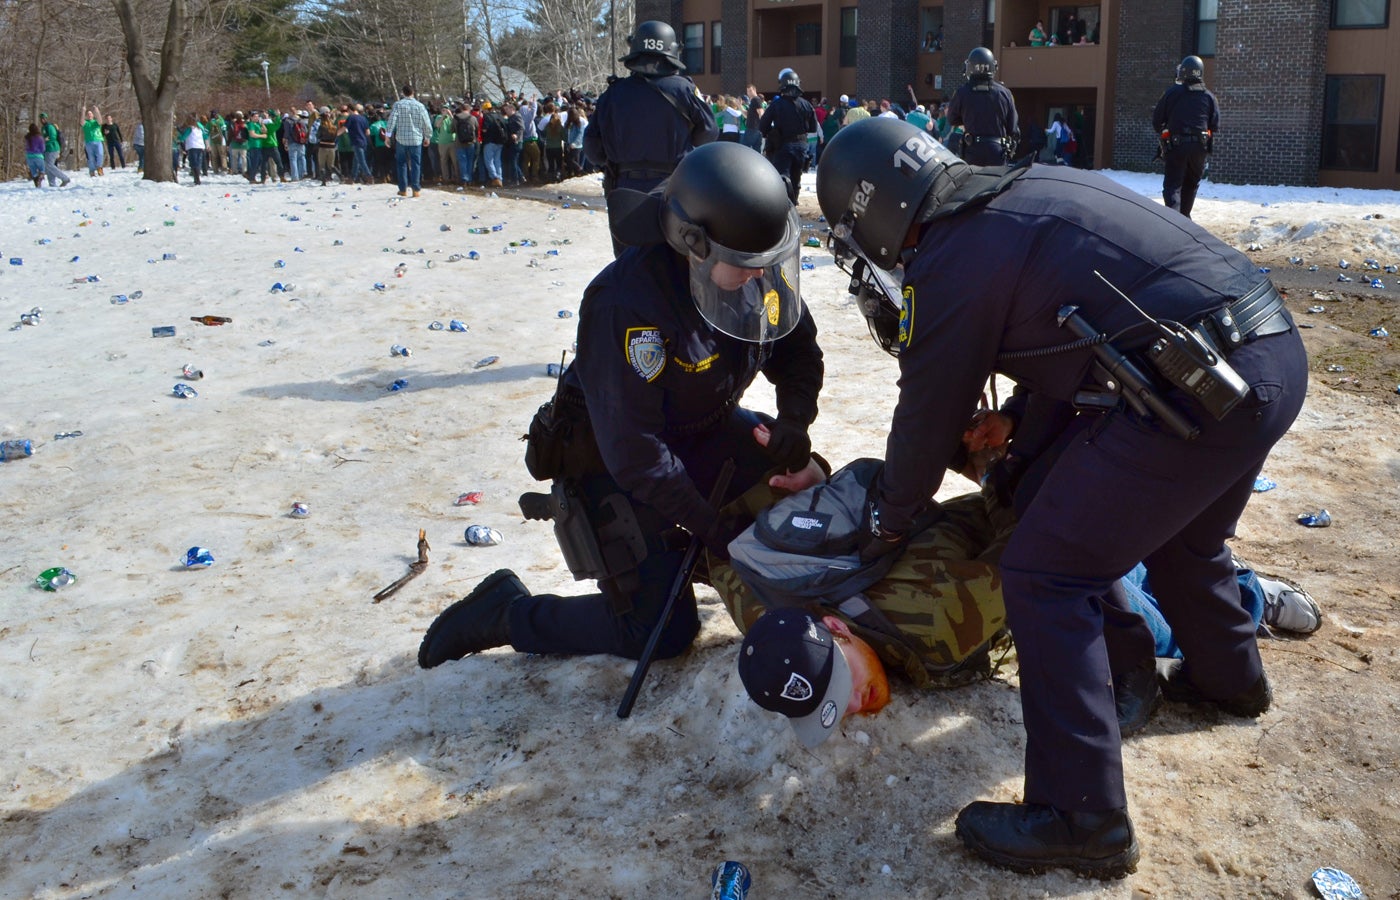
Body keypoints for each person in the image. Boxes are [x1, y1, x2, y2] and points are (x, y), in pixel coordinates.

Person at [815, 117, 1307, 878]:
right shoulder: (1020, 191)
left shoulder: (949, 256)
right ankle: (1227, 679)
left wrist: (887, 522)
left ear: (874, 216)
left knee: (1048, 574)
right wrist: (1013, 421)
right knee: (1183, 541)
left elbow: (925, 417)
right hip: (1264, 356)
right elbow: (1089, 332)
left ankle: (1083, 819)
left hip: (1198, 390)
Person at [417, 141, 823, 672]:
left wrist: (794, 420)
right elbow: (638, 454)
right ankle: (508, 613)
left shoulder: (750, 263)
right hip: (614, 463)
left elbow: (796, 348)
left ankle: (690, 552)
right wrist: (713, 530)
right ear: (693, 245)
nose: (759, 276)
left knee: (803, 484)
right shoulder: (628, 305)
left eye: (765, 263)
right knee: (660, 631)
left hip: (702, 428)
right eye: (745, 265)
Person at [584, 20, 718, 257]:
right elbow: (708, 132)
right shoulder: (684, 89)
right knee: (674, 263)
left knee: (628, 265)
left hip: (623, 190)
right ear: (672, 52)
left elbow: (593, 149)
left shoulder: (613, 93)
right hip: (675, 189)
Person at [1153, 55, 1220, 219]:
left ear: (1183, 72)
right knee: (1191, 184)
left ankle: (1175, 222)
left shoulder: (1172, 93)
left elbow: (1157, 121)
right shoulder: (1209, 96)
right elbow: (1215, 124)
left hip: (1177, 146)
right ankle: (1185, 219)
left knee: (1173, 185)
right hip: (1200, 148)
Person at [947, 48, 1019, 165]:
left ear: (970, 68)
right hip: (997, 153)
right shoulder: (1005, 93)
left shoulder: (962, 93)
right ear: (993, 67)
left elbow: (952, 119)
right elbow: (1013, 128)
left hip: (972, 152)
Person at [759, 68, 819, 205]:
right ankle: (793, 204)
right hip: (801, 146)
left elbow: (763, 126)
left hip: (783, 146)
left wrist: (773, 133)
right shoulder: (807, 104)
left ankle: (782, 205)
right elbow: (813, 128)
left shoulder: (777, 104)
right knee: (796, 178)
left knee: (782, 178)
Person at [384, 84, 432, 197]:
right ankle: (416, 189)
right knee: (416, 164)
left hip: (401, 138)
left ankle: (403, 189)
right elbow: (426, 122)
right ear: (413, 92)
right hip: (416, 138)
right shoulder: (420, 106)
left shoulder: (398, 105)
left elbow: (391, 121)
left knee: (401, 164)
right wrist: (428, 136)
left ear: (403, 93)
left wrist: (387, 136)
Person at [37, 113, 71, 187]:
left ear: (46, 119)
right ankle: (52, 184)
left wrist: (44, 141)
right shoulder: (43, 128)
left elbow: (52, 137)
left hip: (53, 148)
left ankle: (65, 178)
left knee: (49, 165)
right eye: (41, 118)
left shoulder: (50, 127)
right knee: (48, 166)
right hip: (47, 149)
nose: (42, 120)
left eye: (43, 118)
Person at [180, 113, 206, 185]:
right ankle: (197, 178)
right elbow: (205, 135)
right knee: (198, 162)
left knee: (193, 163)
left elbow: (184, 137)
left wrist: (179, 139)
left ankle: (196, 178)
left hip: (192, 146)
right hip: (200, 146)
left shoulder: (190, 128)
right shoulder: (200, 127)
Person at [81, 106, 105, 176]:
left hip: (98, 141)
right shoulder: (85, 123)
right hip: (89, 142)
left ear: (93, 115)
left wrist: (97, 111)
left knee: (100, 154)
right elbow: (81, 121)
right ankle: (92, 170)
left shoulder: (96, 122)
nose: (89, 115)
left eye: (91, 114)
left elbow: (100, 120)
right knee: (91, 157)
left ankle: (99, 168)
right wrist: (83, 111)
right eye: (88, 114)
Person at [24, 123, 47, 188]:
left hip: (29, 157)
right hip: (38, 156)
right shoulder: (40, 137)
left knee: (34, 172)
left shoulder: (27, 138)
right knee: (42, 170)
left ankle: (37, 185)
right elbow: (43, 148)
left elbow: (26, 147)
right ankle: (40, 178)